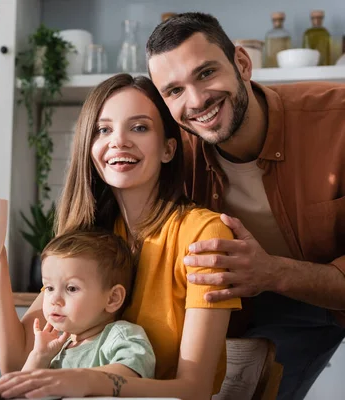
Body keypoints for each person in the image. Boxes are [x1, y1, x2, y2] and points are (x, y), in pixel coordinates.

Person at [0, 74, 241, 399]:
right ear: (89, 147)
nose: (119, 141)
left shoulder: (204, 232)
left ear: (168, 149)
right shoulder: (92, 239)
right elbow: (17, 364)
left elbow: (195, 389)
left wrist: (84, 380)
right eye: (103, 129)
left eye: (139, 127)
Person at [145, 12, 345, 400]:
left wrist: (272, 272)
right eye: (174, 91)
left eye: (205, 73)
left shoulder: (337, 119)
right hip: (273, 311)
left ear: (242, 63)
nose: (197, 100)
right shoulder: (176, 157)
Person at [19, 229, 155, 379]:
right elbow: (21, 388)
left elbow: (131, 376)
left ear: (112, 299)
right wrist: (39, 355)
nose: (54, 299)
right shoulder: (55, 348)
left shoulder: (120, 335)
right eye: (49, 288)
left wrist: (70, 380)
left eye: (71, 288)